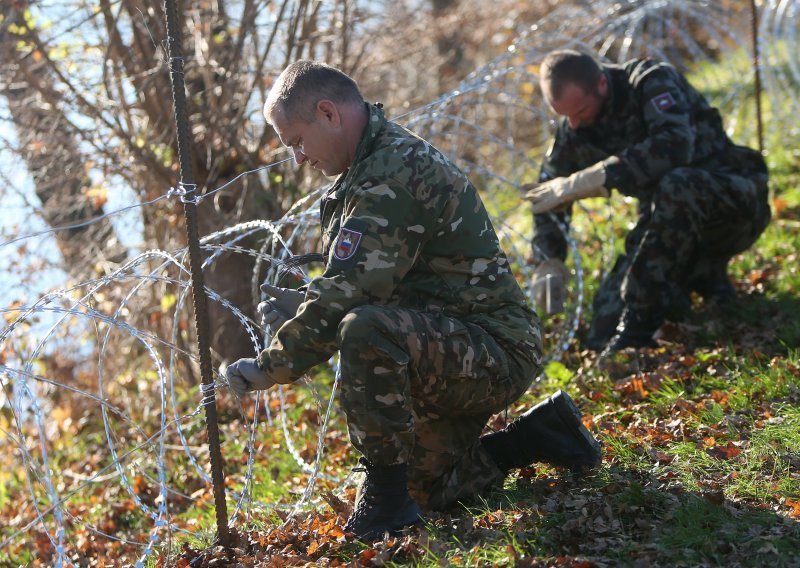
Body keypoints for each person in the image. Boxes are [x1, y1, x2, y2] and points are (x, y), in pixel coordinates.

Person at [223, 60, 601, 540]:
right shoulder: (364, 171)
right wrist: (305, 306)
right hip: (447, 343)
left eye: (296, 141)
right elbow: (381, 278)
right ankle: (537, 437)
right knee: (427, 490)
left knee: (363, 328)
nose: (297, 157)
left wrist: (271, 366)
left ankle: (385, 505)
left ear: (327, 113)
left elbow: (352, 295)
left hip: (492, 349)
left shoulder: (391, 173)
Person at [525, 50, 770, 352]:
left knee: (678, 184)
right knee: (603, 327)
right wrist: (549, 259)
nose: (573, 124)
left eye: (580, 111)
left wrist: (599, 176)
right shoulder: (577, 125)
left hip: (734, 204)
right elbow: (548, 189)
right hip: (666, 224)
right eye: (565, 116)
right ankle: (699, 275)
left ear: (602, 83)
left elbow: (675, 146)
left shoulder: (650, 82)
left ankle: (639, 328)